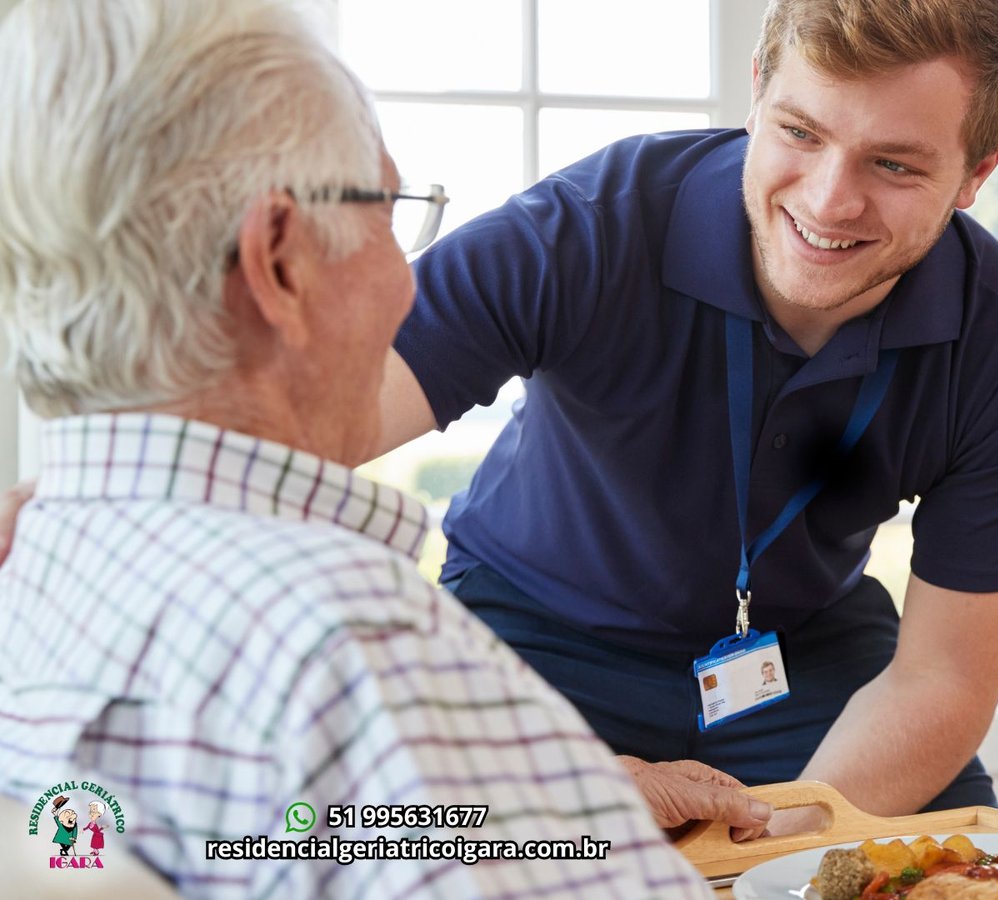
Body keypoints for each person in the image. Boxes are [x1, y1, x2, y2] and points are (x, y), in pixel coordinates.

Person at [0, 0, 755, 895]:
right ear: (280, 260)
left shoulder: (36, 563)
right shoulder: (354, 643)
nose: (409, 282)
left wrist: (551, 797)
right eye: (386, 209)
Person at [374, 0, 998, 825]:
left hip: (800, 654)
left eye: (894, 166)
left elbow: (942, 679)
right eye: (801, 133)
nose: (828, 201)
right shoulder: (588, 229)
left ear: (977, 173)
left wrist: (788, 850)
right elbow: (287, 427)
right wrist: (553, 797)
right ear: (756, 93)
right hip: (531, 636)